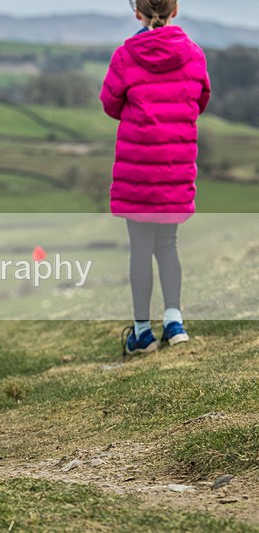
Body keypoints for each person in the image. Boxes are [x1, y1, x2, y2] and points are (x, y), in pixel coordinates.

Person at [100, 0, 210, 356]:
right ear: (174, 10)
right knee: (168, 245)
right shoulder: (193, 54)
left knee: (140, 250)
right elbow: (200, 98)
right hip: (176, 163)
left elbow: (110, 103)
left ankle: (143, 332)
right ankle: (175, 322)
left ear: (138, 13)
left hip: (137, 166)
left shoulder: (125, 56)